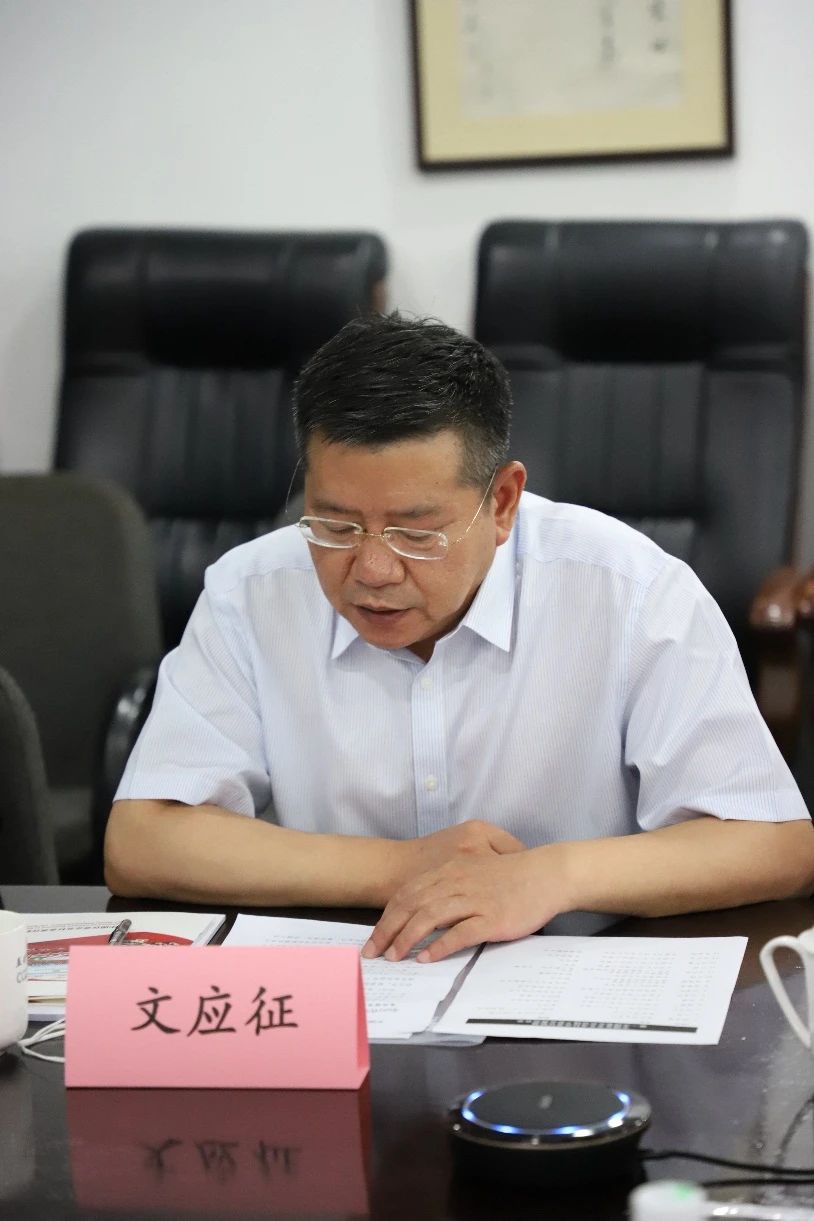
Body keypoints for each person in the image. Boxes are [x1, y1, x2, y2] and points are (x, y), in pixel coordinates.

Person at [106, 312, 813, 963]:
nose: (373, 569)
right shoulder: (251, 591)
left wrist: (548, 876)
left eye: (416, 532)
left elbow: (775, 843)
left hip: (574, 991)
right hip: (342, 997)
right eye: (337, 525)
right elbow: (142, 839)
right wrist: (402, 868)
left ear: (501, 502)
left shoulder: (632, 592)